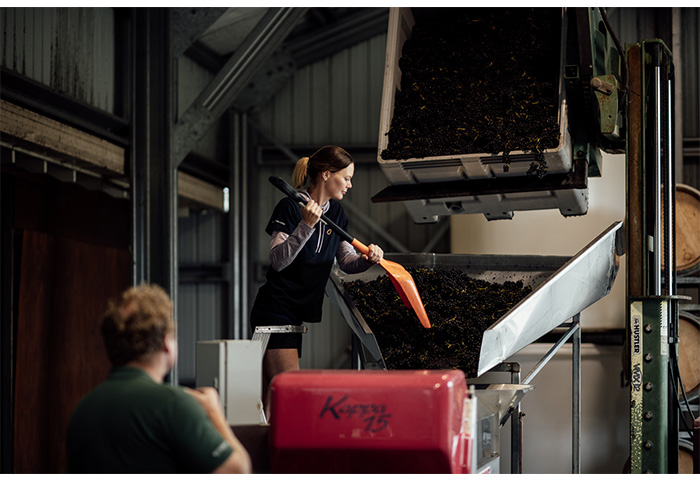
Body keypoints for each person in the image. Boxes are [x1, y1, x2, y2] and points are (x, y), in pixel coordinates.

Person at [250, 145, 384, 417]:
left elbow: (346, 262)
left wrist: (367, 260)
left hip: (296, 312)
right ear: (326, 174)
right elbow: (278, 260)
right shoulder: (290, 207)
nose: (350, 184)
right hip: (276, 309)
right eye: (346, 178)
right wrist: (306, 226)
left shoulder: (337, 213)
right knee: (290, 397)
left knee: (269, 404)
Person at [66, 284, 252, 474]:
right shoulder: (174, 404)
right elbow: (237, 471)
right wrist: (214, 413)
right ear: (166, 342)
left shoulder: (83, 411)